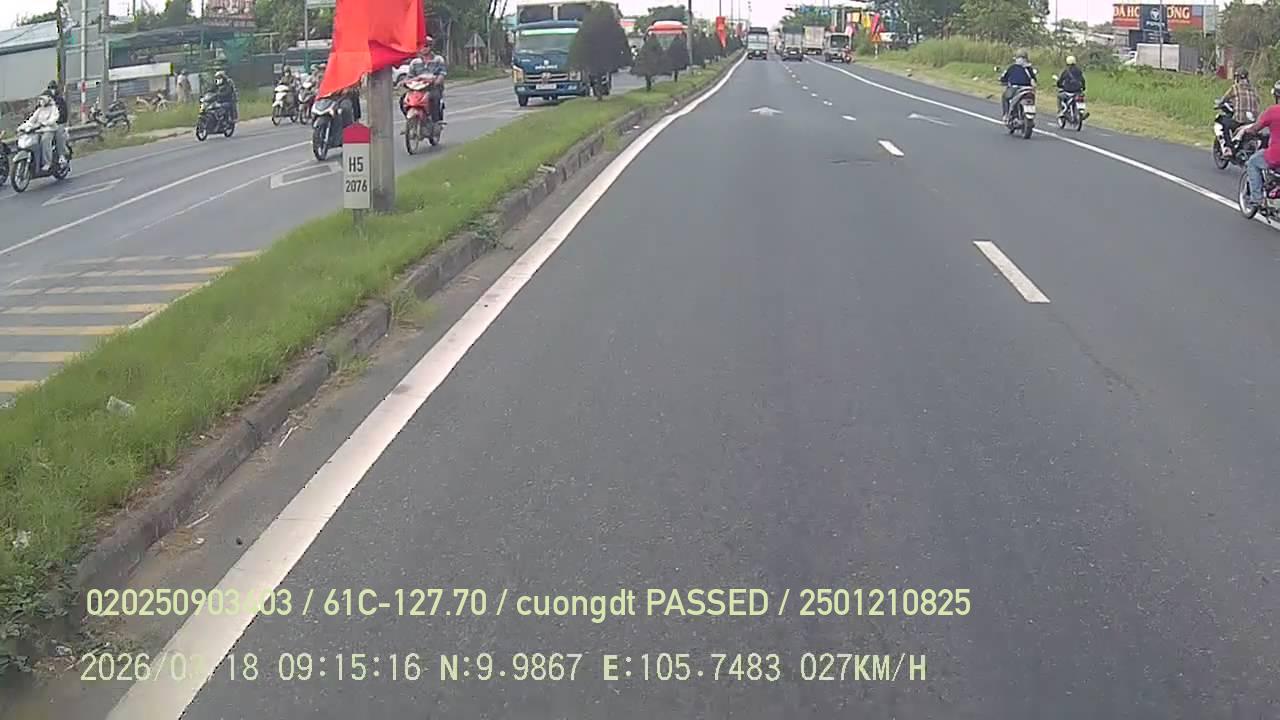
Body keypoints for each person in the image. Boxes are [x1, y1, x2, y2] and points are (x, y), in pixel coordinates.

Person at [1240, 80, 1280, 210]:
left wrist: (1247, 131)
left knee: (1253, 162)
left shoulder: (1273, 111)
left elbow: (1256, 127)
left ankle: (1257, 199)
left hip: (1276, 155)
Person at [23, 93, 59, 172]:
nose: (41, 101)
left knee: (45, 140)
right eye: (40, 100)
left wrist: (45, 123)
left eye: (43, 99)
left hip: (49, 130)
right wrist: (23, 127)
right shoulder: (39, 110)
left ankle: (47, 162)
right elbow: (31, 119)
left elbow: (54, 118)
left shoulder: (53, 108)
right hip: (38, 130)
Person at [999, 49, 1037, 122]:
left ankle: (1006, 115)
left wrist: (1002, 81)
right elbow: (1034, 79)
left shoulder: (1012, 67)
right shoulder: (1029, 68)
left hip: (1015, 88)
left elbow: (1004, 78)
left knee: (1005, 97)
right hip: (1028, 89)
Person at [45, 81, 68, 166]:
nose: (52, 90)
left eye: (53, 88)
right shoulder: (44, 102)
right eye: (50, 88)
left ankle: (61, 156)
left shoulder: (60, 100)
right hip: (46, 126)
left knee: (58, 135)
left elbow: (64, 113)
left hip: (58, 124)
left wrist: (56, 120)